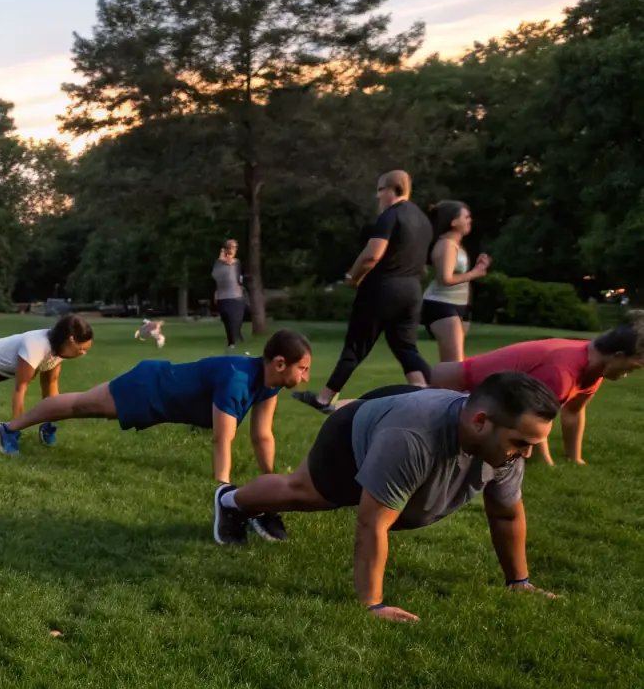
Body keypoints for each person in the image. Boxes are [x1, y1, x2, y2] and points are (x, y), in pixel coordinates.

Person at [214, 373, 562, 621]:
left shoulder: (507, 448)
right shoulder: (413, 439)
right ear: (481, 422)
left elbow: (505, 513)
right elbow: (372, 523)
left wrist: (519, 582)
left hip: (400, 411)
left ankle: (253, 506)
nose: (527, 454)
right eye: (521, 443)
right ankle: (230, 501)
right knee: (303, 493)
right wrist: (373, 605)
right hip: (353, 433)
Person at [0, 331, 312, 539]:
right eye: (303, 368)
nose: (306, 377)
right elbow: (222, 439)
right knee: (79, 405)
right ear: (280, 363)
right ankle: (8, 429)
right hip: (149, 388)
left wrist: (271, 485)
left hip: (160, 396)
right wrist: (223, 493)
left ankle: (15, 427)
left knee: (79, 405)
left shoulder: (268, 384)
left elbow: (262, 436)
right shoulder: (238, 380)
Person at [295, 170, 433, 415]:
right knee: (405, 347)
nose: (377, 196)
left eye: (380, 190)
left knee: (356, 345)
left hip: (382, 288)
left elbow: (372, 255)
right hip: (411, 290)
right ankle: (427, 392)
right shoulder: (422, 220)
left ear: (393, 190)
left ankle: (324, 399)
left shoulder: (390, 216)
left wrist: (353, 277)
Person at [428, 315, 644, 465]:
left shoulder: (593, 368)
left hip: (470, 397)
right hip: (450, 393)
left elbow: (574, 412)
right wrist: (547, 463)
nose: (628, 374)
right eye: (631, 368)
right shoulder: (563, 372)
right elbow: (534, 418)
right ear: (617, 356)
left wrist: (574, 459)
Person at [421, 200, 491, 363]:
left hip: (457, 305)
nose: (470, 221)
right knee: (455, 364)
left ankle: (437, 381)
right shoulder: (446, 245)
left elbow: (459, 275)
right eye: (466, 217)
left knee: (453, 364)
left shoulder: (455, 245)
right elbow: (445, 279)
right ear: (453, 222)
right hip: (442, 305)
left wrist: (478, 268)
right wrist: (475, 273)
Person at [213, 239, 248, 351]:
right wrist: (222, 260)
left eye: (235, 248)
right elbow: (215, 276)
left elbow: (240, 276)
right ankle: (232, 339)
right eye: (231, 247)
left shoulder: (237, 263)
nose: (233, 250)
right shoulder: (219, 263)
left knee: (236, 318)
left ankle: (232, 342)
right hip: (223, 296)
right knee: (227, 320)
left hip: (236, 296)